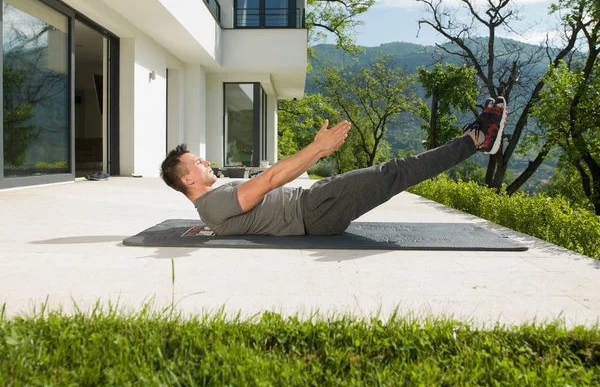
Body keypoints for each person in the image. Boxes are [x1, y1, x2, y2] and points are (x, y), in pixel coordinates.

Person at [160, 97, 508, 236]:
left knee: (394, 173)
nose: (204, 161)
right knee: (396, 172)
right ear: (187, 177)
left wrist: (317, 155)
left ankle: (474, 139)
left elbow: (277, 180)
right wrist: (314, 147)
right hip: (314, 211)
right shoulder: (213, 205)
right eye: (196, 162)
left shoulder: (214, 202)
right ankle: (477, 139)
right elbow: (268, 180)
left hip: (314, 202)